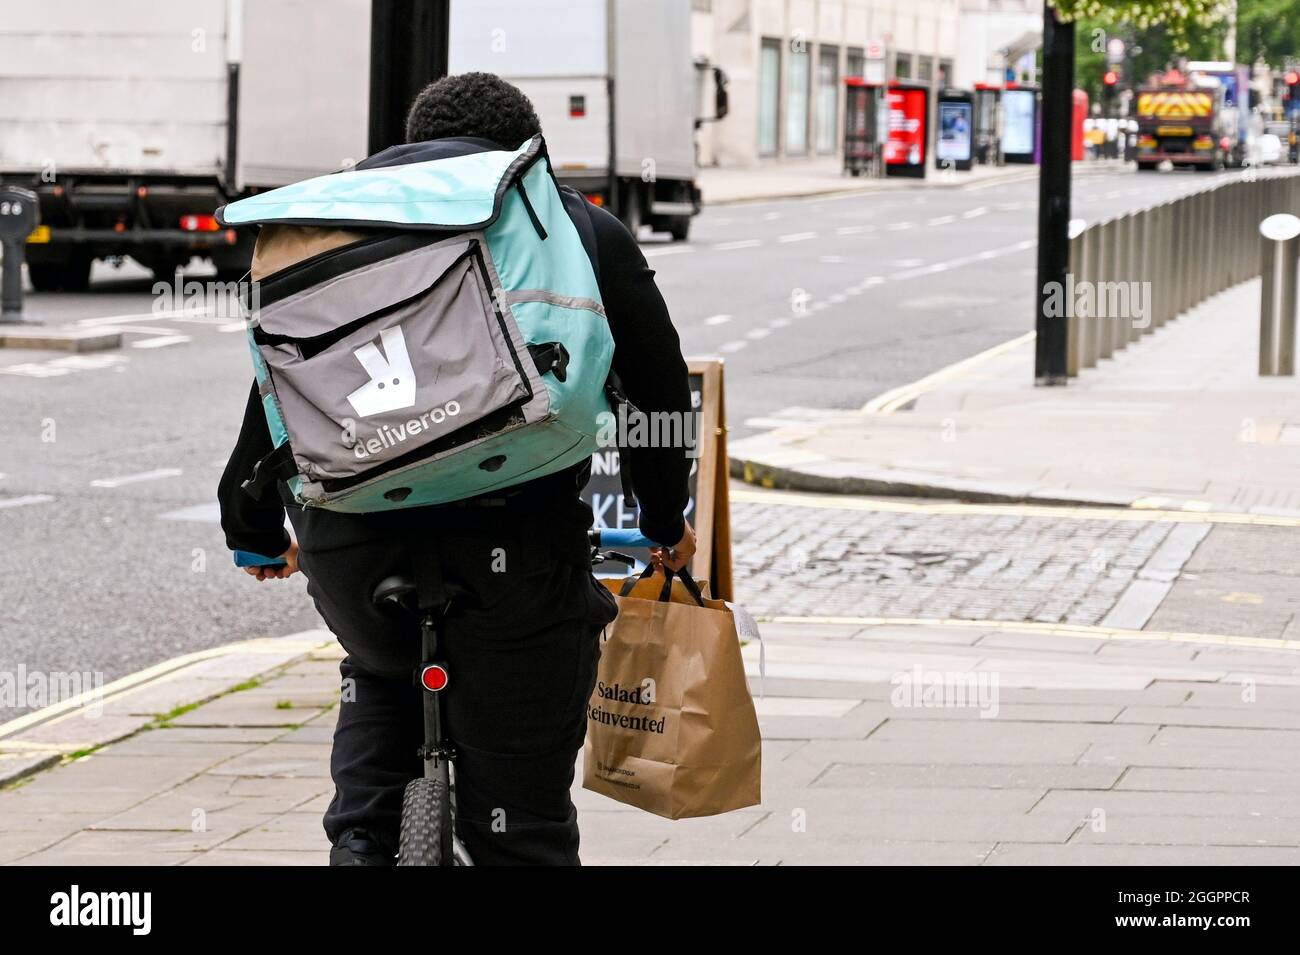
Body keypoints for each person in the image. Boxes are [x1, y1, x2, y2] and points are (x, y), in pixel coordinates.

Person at [217, 72, 695, 865]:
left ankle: (366, 838)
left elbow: (274, 398)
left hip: (357, 545)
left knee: (379, 670)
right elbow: (659, 392)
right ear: (522, 152)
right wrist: (662, 521)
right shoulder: (574, 225)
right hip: (516, 551)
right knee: (522, 822)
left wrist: (255, 532)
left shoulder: (342, 231)